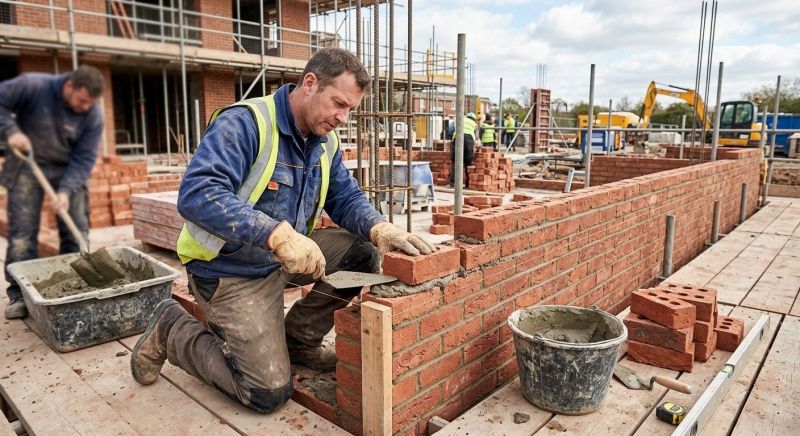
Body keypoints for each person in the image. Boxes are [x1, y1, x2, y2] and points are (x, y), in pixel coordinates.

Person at [129, 48, 434, 414]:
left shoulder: (325, 141)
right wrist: (275, 234)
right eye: (339, 103)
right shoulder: (246, 123)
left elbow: (345, 197)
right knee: (267, 392)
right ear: (310, 83)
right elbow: (199, 193)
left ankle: (299, 341)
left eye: (350, 109)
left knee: (362, 253)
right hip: (230, 270)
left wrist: (379, 227)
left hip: (281, 261)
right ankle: (172, 328)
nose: (343, 118)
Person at [0, 65, 105, 320]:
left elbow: (84, 158)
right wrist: (11, 131)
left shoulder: (93, 115)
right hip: (27, 164)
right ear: (69, 86)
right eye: (81, 100)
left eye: (89, 103)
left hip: (68, 167)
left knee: (76, 228)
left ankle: (77, 287)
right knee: (23, 232)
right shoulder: (33, 85)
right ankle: (19, 294)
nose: (84, 107)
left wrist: (66, 191)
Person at [450, 112, 477, 187]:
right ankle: (468, 184)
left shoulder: (459, 119)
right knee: (468, 162)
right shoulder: (474, 124)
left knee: (455, 161)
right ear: (474, 119)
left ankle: (453, 183)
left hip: (458, 138)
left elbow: (450, 129)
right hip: (469, 140)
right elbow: (475, 135)